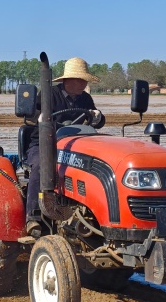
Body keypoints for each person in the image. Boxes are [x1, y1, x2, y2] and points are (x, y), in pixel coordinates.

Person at [24, 57, 105, 237]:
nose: (84, 83)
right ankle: (33, 217)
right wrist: (40, 117)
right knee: (41, 166)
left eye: (85, 80)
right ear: (68, 80)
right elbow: (31, 114)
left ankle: (93, 216)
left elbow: (97, 121)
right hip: (44, 144)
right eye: (80, 79)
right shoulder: (49, 94)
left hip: (74, 146)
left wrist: (98, 116)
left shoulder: (86, 99)